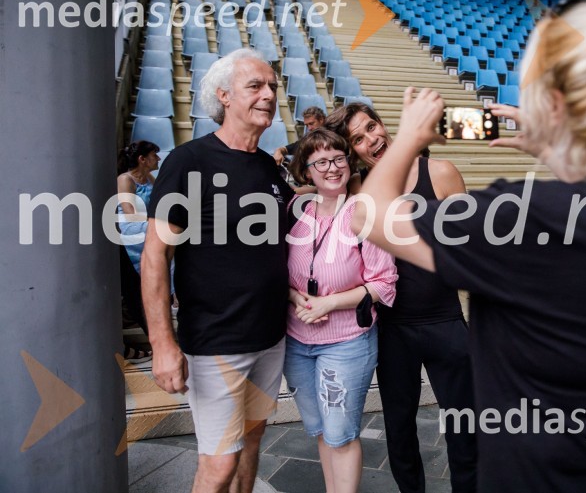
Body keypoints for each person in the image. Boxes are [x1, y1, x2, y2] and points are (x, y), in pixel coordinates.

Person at [353, 0, 586, 493]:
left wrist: (411, 136)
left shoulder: (525, 219)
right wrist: (558, 145)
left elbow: (369, 214)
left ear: (558, 102)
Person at [143, 48, 296, 493]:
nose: (269, 94)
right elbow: (156, 255)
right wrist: (161, 344)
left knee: (253, 438)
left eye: (272, 85)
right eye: (256, 86)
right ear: (224, 96)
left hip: (270, 337)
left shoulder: (267, 167)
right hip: (217, 341)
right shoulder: (189, 161)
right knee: (218, 465)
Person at [326, 102, 477, 493]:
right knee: (399, 429)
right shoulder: (357, 189)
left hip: (445, 321)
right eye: (357, 139)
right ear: (351, 151)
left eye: (371, 127)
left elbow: (471, 252)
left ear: (382, 124)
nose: (371, 140)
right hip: (392, 328)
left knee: (465, 427)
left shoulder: (440, 172)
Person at [283, 128, 397, 493]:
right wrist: (291, 294)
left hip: (346, 341)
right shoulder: (294, 211)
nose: (332, 168)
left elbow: (384, 283)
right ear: (306, 170)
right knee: (320, 430)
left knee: (341, 435)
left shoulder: (365, 212)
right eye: (321, 161)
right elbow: (275, 267)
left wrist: (331, 302)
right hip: (297, 341)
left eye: (338, 158)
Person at [117, 140, 160, 363]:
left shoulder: (151, 178)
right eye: (154, 155)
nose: (159, 159)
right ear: (142, 159)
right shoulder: (125, 179)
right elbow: (129, 213)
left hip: (147, 224)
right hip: (130, 226)